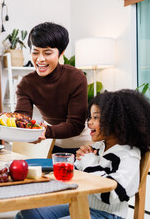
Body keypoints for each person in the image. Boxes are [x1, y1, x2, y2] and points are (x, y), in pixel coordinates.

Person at [15, 89, 150, 219]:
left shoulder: (128, 155)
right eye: (90, 117)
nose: (89, 122)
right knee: (27, 214)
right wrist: (80, 160)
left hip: (108, 214)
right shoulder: (99, 146)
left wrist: (89, 162)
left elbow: (114, 195)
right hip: (84, 204)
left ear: (117, 121)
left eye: (95, 117)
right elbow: (81, 173)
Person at [14, 22, 91, 154]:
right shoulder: (26, 83)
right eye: (35, 52)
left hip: (80, 144)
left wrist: (44, 131)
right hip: (49, 141)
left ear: (61, 54)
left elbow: (75, 125)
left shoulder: (76, 77)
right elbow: (22, 120)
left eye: (48, 53)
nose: (40, 59)